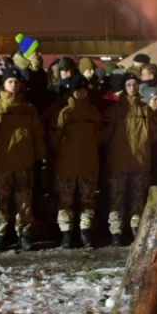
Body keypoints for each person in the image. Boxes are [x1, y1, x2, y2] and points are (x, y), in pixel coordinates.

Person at [102, 73, 157, 245]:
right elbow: (104, 134)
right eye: (129, 84)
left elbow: (155, 133)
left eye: (135, 84)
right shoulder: (115, 110)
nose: (132, 88)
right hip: (118, 162)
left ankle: (135, 229)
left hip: (140, 163)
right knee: (116, 200)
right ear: (124, 87)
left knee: (137, 200)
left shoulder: (146, 110)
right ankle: (116, 232)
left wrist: (142, 146)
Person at [0, 69, 46, 251]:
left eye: (16, 82)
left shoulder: (28, 108)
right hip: (2, 162)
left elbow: (37, 133)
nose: (13, 85)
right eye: (10, 82)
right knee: (0, 200)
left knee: (24, 201)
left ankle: (24, 234)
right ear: (3, 84)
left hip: (24, 161)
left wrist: (40, 153)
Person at [51, 76, 101, 248]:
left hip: (88, 165)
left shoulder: (94, 112)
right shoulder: (64, 112)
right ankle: (66, 234)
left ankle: (85, 233)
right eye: (78, 89)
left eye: (85, 89)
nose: (82, 92)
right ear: (72, 91)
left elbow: (99, 136)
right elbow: (55, 139)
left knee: (88, 202)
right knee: (66, 202)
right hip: (67, 166)